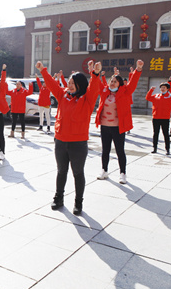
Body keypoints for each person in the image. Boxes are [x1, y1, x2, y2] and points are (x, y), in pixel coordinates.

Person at [36, 59, 102, 215]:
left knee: (78, 173)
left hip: (78, 144)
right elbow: (52, 85)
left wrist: (95, 73)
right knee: (61, 171)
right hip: (60, 141)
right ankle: (58, 198)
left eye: (73, 83)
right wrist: (43, 71)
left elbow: (93, 88)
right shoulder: (63, 95)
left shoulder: (87, 99)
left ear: (80, 85)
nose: (70, 85)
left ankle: (78, 202)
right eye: (69, 82)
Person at [95, 60, 143, 184]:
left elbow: (133, 83)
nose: (112, 83)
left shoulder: (125, 92)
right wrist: (95, 71)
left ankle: (122, 173)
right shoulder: (104, 91)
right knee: (105, 150)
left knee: (119, 151)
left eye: (115, 81)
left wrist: (138, 69)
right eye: (111, 81)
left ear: (119, 83)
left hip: (118, 127)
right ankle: (104, 170)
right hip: (105, 126)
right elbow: (96, 82)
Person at [145, 83, 171, 154]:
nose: (162, 89)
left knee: (166, 134)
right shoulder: (156, 95)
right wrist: (151, 90)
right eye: (161, 87)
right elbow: (148, 98)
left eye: (164, 87)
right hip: (156, 117)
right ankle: (155, 148)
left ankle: (167, 149)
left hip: (165, 118)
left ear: (167, 89)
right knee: (156, 133)